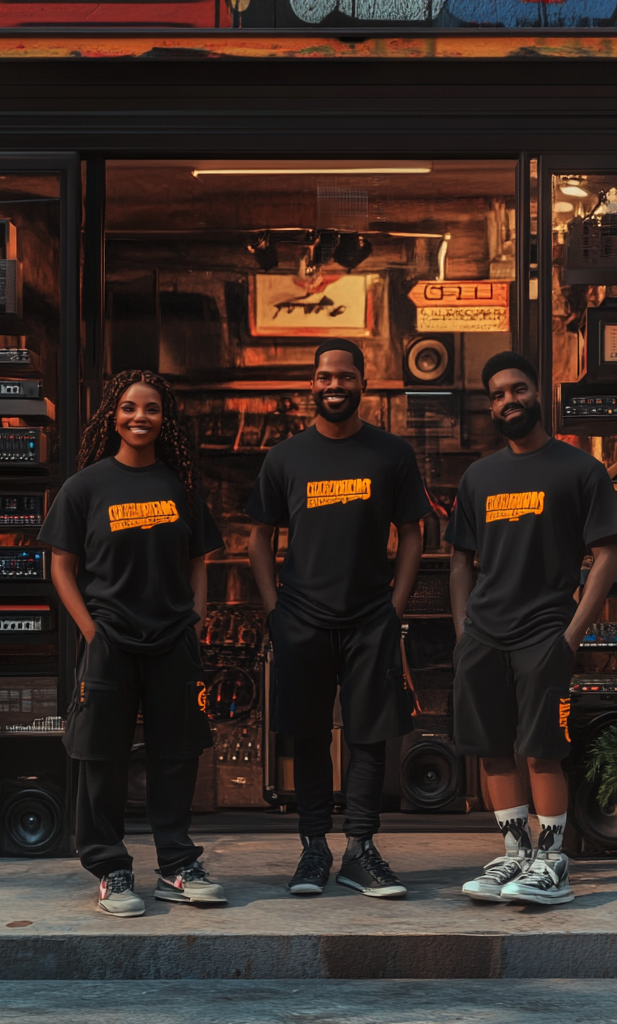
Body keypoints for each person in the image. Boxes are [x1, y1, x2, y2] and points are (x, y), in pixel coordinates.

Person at [247, 339, 431, 898]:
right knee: (306, 736)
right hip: (300, 617)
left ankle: (360, 850)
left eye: (345, 377)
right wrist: (275, 609)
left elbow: (413, 534)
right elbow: (259, 537)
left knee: (368, 738)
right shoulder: (284, 458)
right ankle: (312, 849)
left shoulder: (391, 454)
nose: (334, 386)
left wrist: (393, 608)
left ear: (362, 384)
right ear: (312, 385)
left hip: (369, 616)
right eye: (325, 377)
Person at [40, 369, 227, 917]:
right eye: (128, 408)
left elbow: (198, 562)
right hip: (110, 642)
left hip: (173, 640)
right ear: (112, 416)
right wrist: (93, 631)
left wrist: (194, 619)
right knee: (102, 755)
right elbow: (62, 567)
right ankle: (111, 869)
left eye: (151, 409)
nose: (139, 417)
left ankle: (176, 865)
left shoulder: (181, 486)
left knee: (177, 755)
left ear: (165, 419)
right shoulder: (86, 486)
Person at [446, 351, 617, 906]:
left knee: (541, 750)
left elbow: (607, 555)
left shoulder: (579, 471)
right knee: (493, 750)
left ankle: (552, 862)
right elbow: (459, 560)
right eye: (497, 394)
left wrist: (570, 636)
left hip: (544, 631)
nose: (508, 400)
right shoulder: (478, 476)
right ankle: (515, 855)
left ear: (537, 393)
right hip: (484, 635)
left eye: (517, 389)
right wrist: (463, 631)